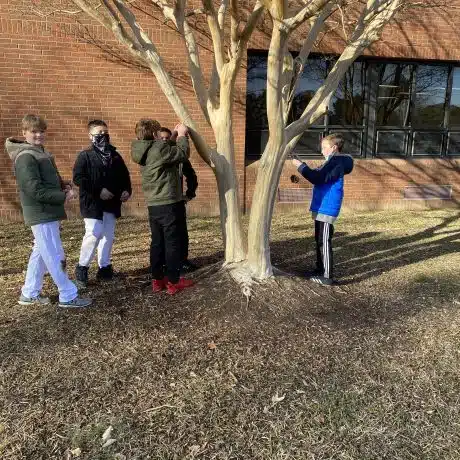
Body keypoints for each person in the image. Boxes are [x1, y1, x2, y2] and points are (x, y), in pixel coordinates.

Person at [5, 114, 92, 308]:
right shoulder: (25, 157)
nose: (39, 135)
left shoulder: (40, 152)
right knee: (53, 254)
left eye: (41, 131)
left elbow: (45, 181)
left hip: (48, 211)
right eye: (34, 131)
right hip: (40, 212)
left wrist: (63, 185)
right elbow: (34, 189)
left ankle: (29, 292)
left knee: (41, 251)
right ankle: (68, 295)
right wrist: (63, 196)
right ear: (24, 133)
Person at [131, 119, 194, 295]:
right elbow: (182, 154)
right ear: (155, 134)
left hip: (154, 205)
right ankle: (174, 281)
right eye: (159, 132)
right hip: (168, 203)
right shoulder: (158, 149)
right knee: (172, 243)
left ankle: (157, 280)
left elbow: (164, 153)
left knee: (157, 242)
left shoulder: (141, 149)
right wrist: (182, 136)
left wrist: (172, 136)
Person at [73, 120, 132, 288]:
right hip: (92, 203)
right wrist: (98, 190)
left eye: (105, 132)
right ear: (90, 135)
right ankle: (82, 268)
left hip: (111, 203)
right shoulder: (85, 156)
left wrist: (126, 190)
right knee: (94, 234)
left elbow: (124, 176)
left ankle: (104, 268)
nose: (103, 136)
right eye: (99, 133)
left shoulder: (115, 155)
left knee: (108, 236)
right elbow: (78, 178)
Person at [291, 133, 354, 286]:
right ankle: (320, 270)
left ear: (334, 148)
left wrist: (300, 166)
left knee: (324, 241)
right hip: (321, 206)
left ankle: (327, 276)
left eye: (324, 147)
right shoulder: (330, 162)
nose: (322, 151)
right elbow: (317, 174)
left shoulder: (336, 163)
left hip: (327, 208)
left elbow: (317, 178)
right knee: (319, 240)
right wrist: (302, 164)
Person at [159, 127, 199, 273]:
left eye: (167, 138)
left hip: (177, 201)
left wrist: (189, 194)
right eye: (162, 138)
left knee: (181, 232)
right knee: (162, 234)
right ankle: (163, 263)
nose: (165, 141)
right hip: (161, 202)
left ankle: (182, 261)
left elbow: (191, 176)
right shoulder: (155, 156)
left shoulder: (179, 157)